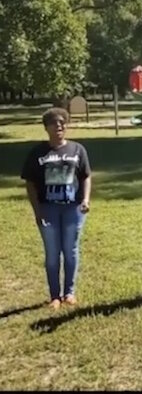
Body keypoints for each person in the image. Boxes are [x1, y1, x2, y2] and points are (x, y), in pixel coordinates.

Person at [21, 108, 91, 309]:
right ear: (46, 127)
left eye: (62, 122)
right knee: (52, 253)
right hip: (48, 209)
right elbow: (30, 183)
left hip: (73, 209)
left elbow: (86, 176)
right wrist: (37, 210)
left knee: (71, 250)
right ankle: (54, 295)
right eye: (54, 123)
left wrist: (85, 199)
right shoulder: (38, 152)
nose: (59, 126)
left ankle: (69, 293)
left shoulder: (77, 150)